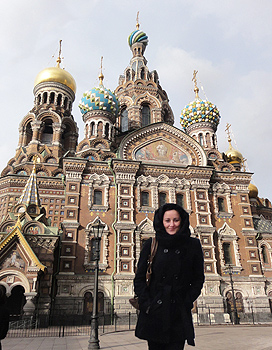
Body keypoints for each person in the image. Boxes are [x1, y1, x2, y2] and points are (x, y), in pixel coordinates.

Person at [134, 203, 205, 350]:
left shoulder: (192, 245)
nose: (171, 225)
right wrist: (147, 304)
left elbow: (198, 277)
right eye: (167, 220)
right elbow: (139, 277)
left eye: (176, 220)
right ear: (161, 221)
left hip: (178, 312)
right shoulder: (151, 244)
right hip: (155, 313)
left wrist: (187, 300)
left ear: (182, 221)